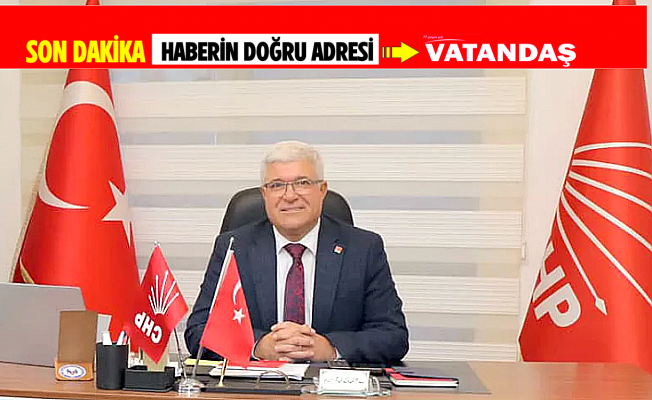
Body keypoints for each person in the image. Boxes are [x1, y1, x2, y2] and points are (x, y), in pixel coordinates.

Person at [185, 141, 408, 363]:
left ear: (322, 190)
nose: (290, 195)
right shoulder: (234, 248)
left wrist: (331, 348)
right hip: (257, 381)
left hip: (330, 381)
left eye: (302, 183)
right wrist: (257, 346)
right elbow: (198, 330)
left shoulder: (364, 248)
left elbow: (393, 335)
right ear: (264, 194)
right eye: (277, 185)